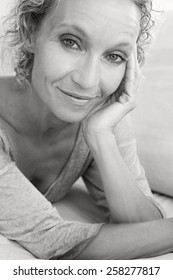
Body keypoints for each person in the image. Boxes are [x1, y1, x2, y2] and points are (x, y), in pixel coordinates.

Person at [0, 0, 172, 260]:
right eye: (70, 42)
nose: (88, 81)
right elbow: (52, 239)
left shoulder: (98, 112)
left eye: (114, 56)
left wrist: (101, 138)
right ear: (31, 33)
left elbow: (143, 226)